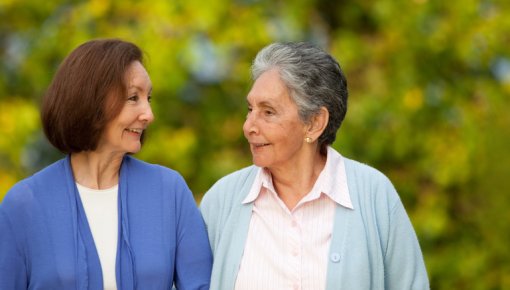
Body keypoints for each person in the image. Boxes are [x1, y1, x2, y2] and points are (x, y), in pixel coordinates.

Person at [200, 42, 429, 290]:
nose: (248, 126)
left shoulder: (374, 195)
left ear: (314, 123)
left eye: (268, 112)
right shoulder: (223, 200)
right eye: (250, 109)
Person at [0, 39, 212, 289]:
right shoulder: (24, 204)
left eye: (149, 98)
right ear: (90, 100)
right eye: (133, 98)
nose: (149, 114)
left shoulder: (169, 191)